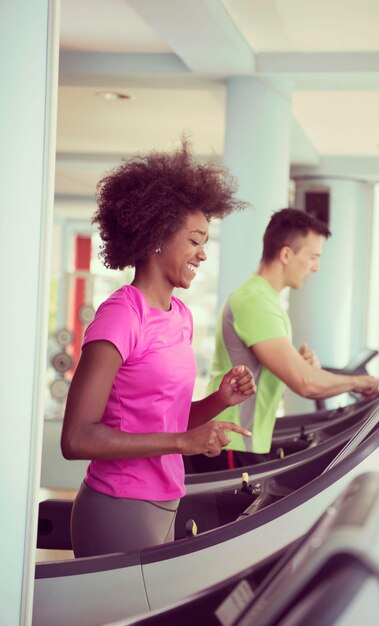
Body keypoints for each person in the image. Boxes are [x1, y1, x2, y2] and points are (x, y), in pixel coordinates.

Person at [60, 141, 256, 557]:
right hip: (118, 506)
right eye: (194, 241)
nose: (203, 254)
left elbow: (164, 419)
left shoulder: (179, 315)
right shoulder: (121, 317)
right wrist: (183, 444)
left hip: (166, 501)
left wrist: (219, 401)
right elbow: (76, 438)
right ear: (156, 237)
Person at [189, 208, 379, 472]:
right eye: (313, 257)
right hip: (228, 441)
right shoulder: (256, 302)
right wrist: (362, 380)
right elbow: (305, 384)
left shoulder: (264, 299)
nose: (316, 267)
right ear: (286, 254)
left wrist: (298, 362)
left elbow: (287, 373)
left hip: (241, 441)